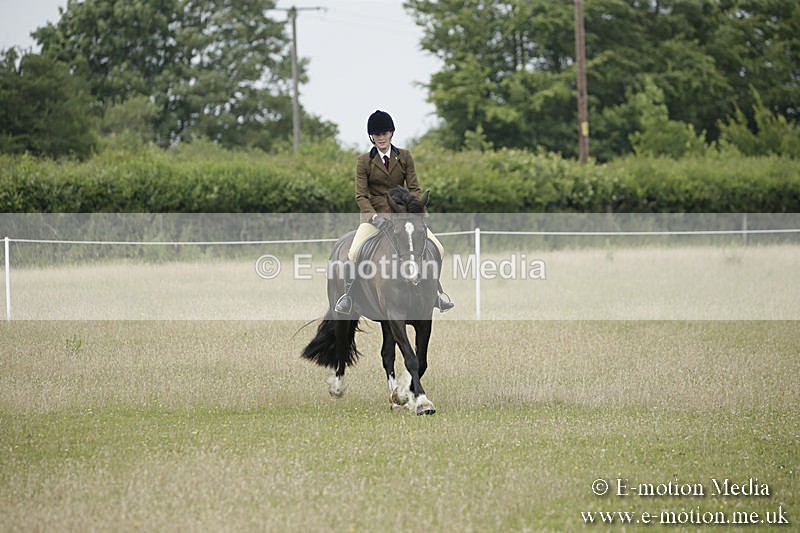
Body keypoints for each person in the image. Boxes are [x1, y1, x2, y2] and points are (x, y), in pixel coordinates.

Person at [334, 109, 454, 314]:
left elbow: (414, 187)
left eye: (385, 133)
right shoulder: (364, 161)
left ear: (391, 133)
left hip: (403, 216)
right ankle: (349, 296)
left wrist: (413, 210)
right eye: (377, 134)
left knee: (438, 248)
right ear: (372, 137)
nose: (381, 138)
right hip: (374, 218)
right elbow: (361, 196)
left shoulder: (405, 156)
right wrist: (373, 217)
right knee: (353, 252)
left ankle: (435, 293)